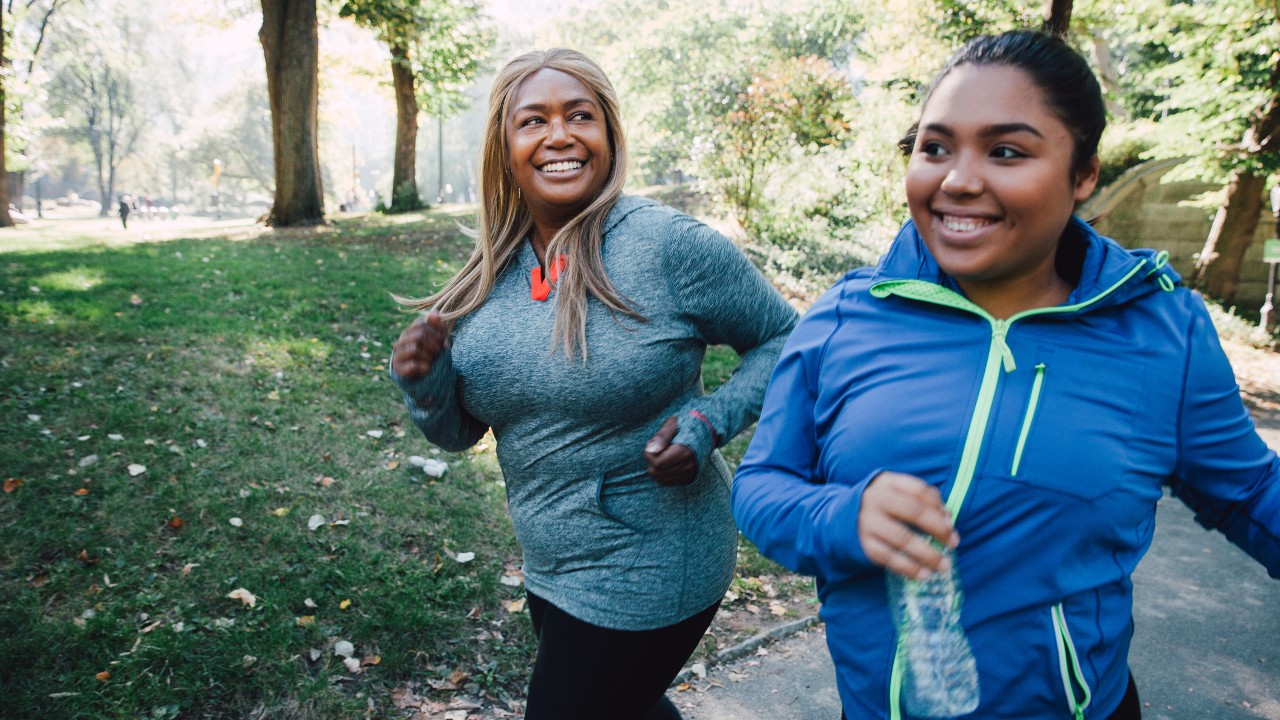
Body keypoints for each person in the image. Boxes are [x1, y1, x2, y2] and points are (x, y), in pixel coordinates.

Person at [731, 29, 1280, 720]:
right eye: (935, 148)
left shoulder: (1162, 332)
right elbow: (760, 484)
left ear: (1084, 175)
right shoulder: (845, 315)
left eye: (1006, 151)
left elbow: (1251, 489)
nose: (958, 179)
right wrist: (840, 516)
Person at [390, 48, 797, 720]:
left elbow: (788, 340)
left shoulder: (668, 247)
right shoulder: (491, 269)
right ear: (505, 143)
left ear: (608, 135)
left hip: (656, 557)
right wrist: (427, 383)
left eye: (579, 116)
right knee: (624, 707)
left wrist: (707, 423)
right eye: (533, 121)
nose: (558, 135)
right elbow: (460, 433)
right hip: (551, 560)